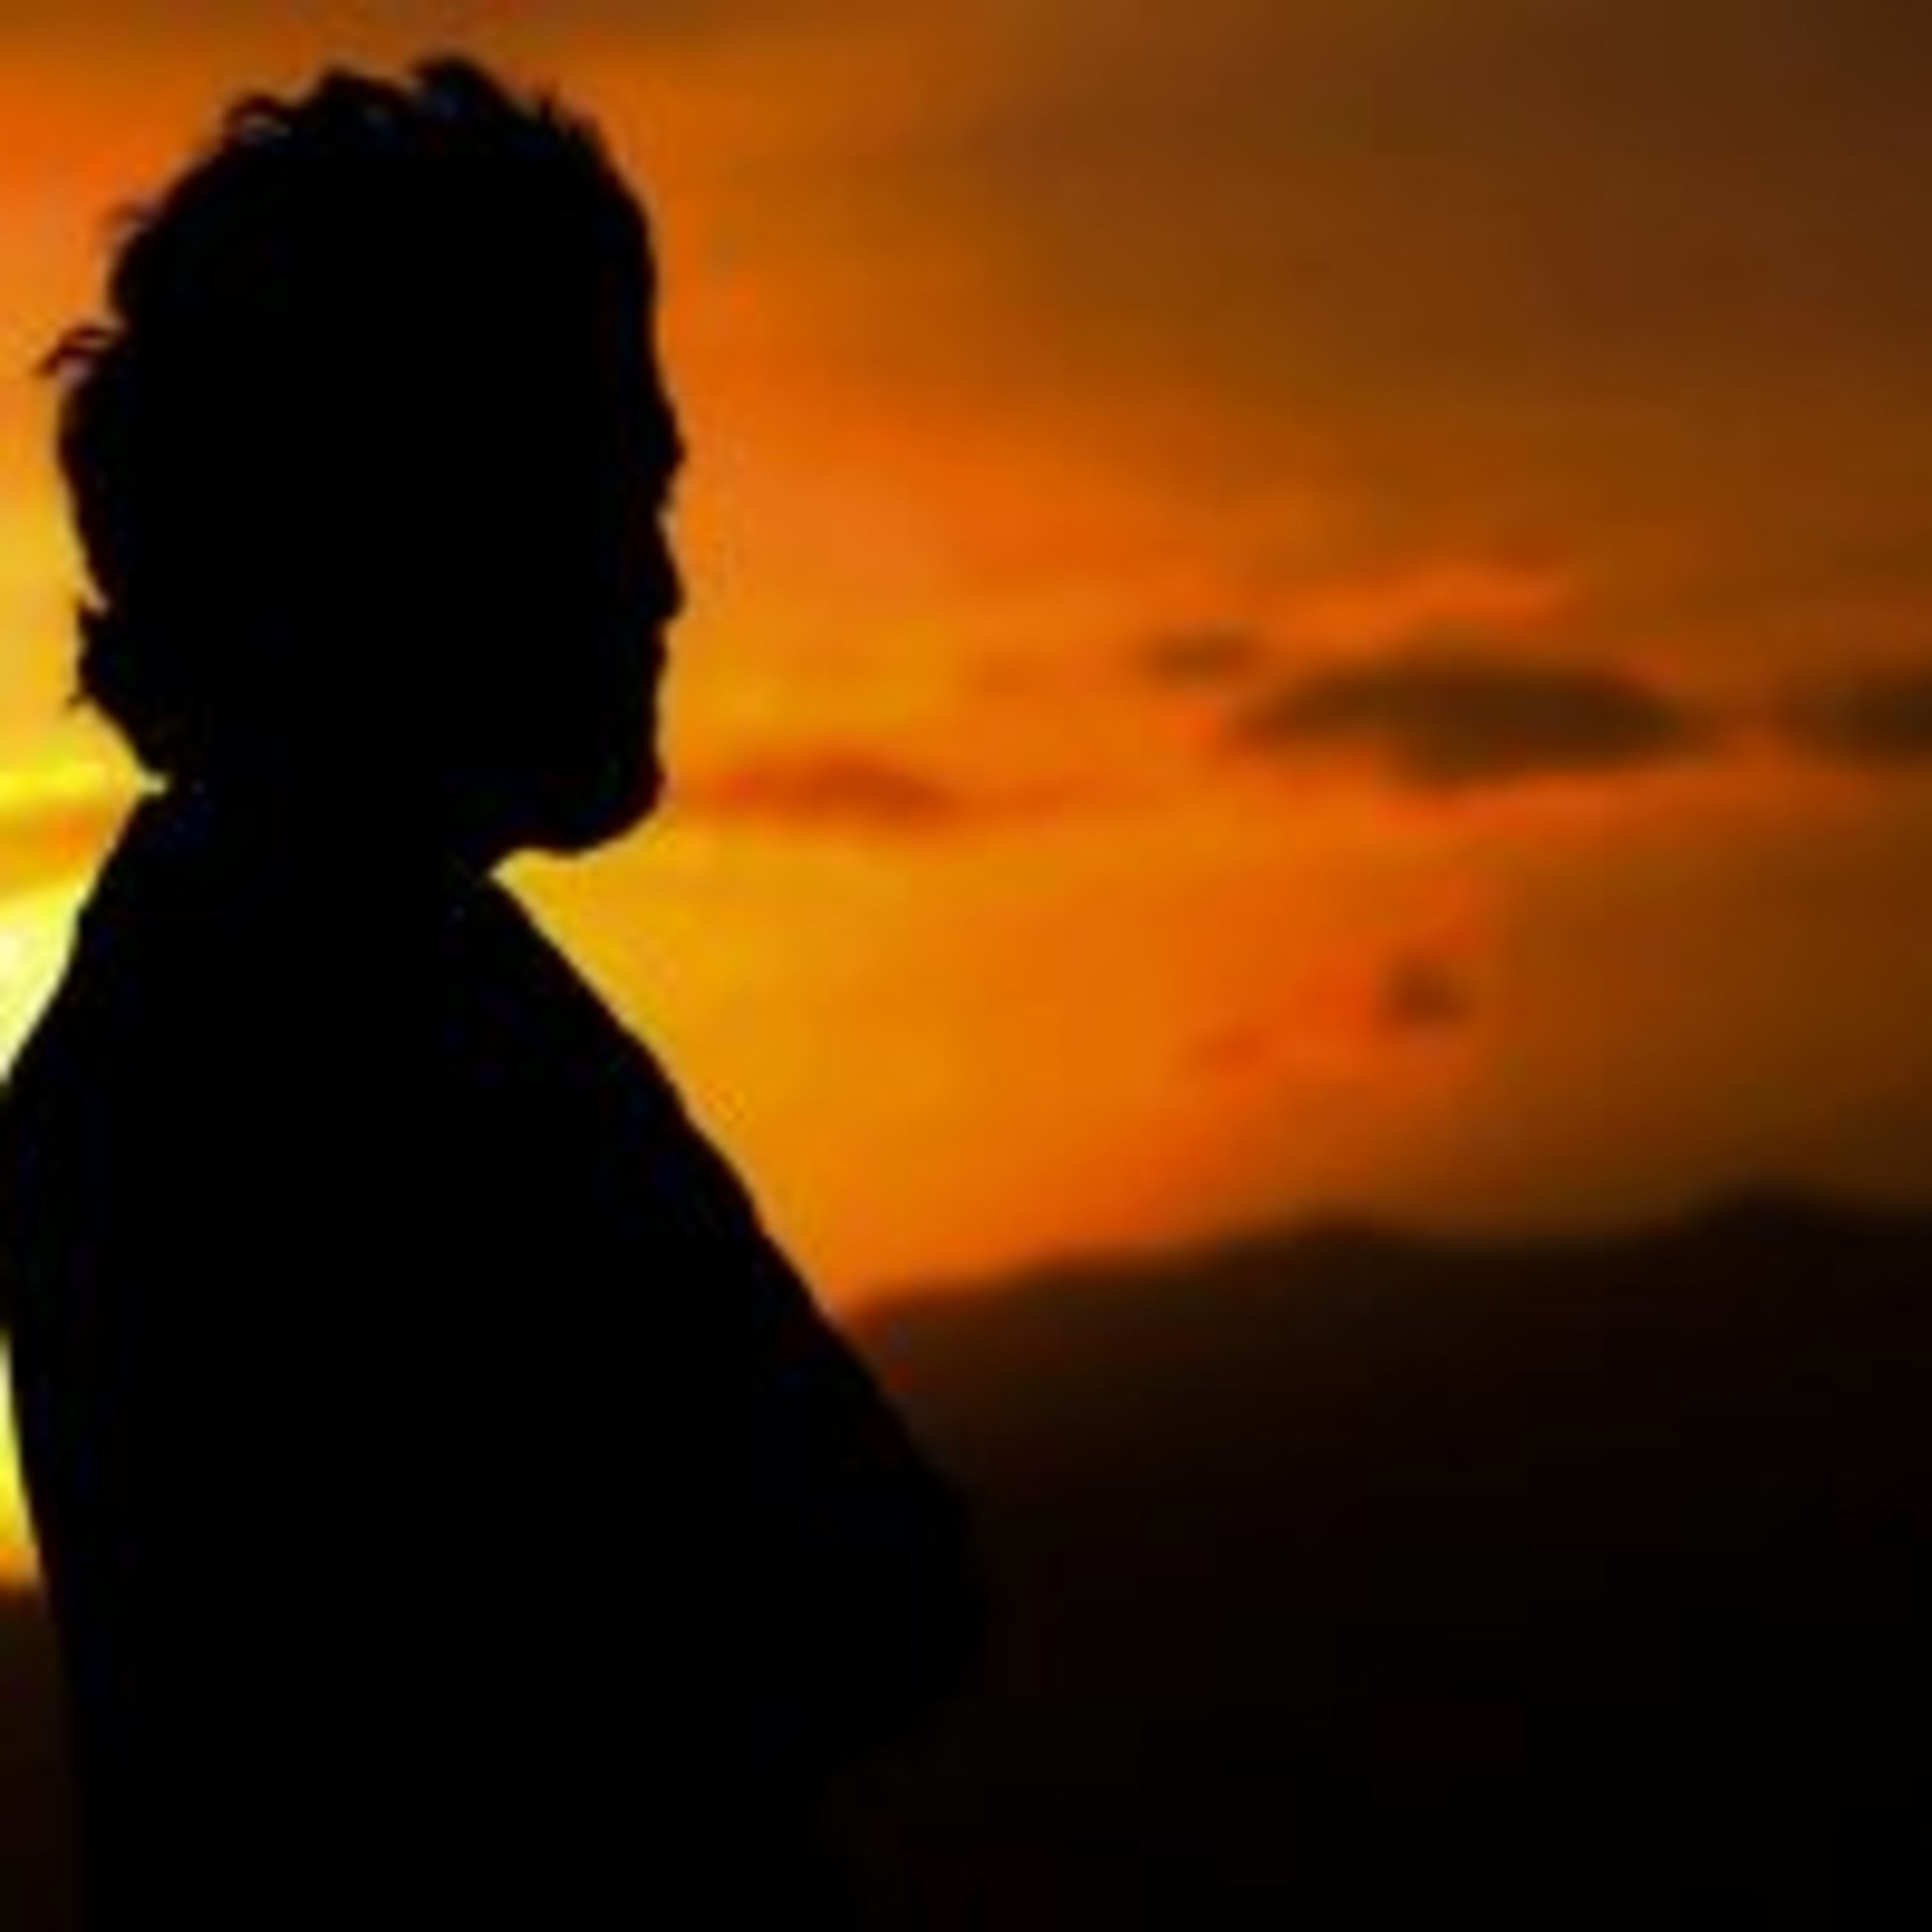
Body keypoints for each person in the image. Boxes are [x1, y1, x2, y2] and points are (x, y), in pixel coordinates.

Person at [0, 55, 980, 1929]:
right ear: (402, 533)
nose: (664, 585)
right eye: (600, 494)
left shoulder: (263, 998)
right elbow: (873, 1586)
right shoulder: (372, 1038)